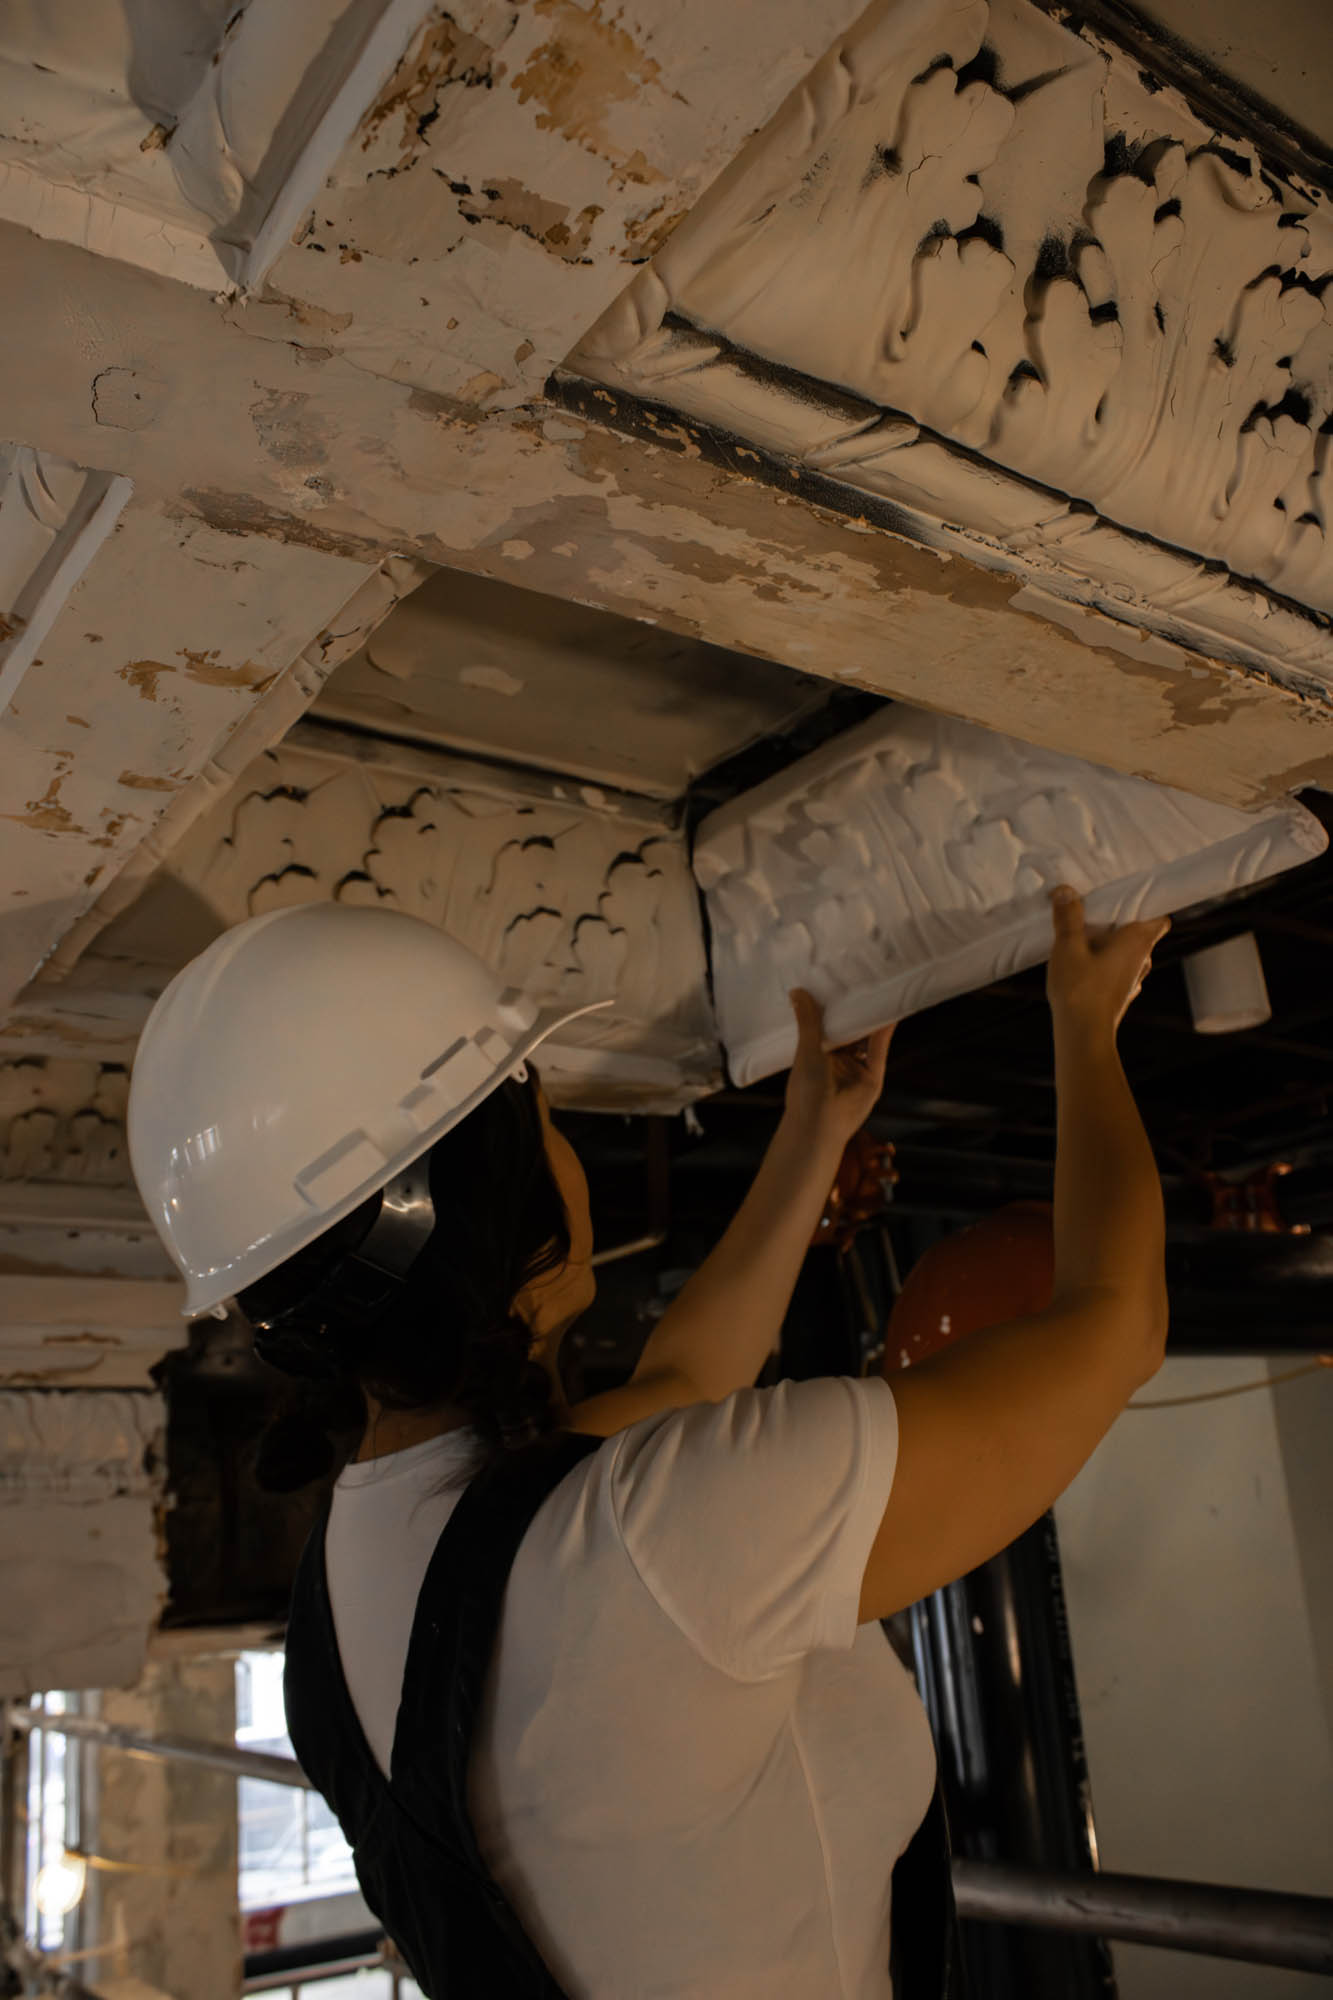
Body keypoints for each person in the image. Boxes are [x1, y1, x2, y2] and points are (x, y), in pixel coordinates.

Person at [126, 882, 1169, 1998]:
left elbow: (678, 1382)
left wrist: (816, 1127)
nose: (568, 1150)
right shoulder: (653, 1531)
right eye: (543, 1119)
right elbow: (1114, 1325)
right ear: (492, 1195)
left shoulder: (370, 1580)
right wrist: (1085, 1019)